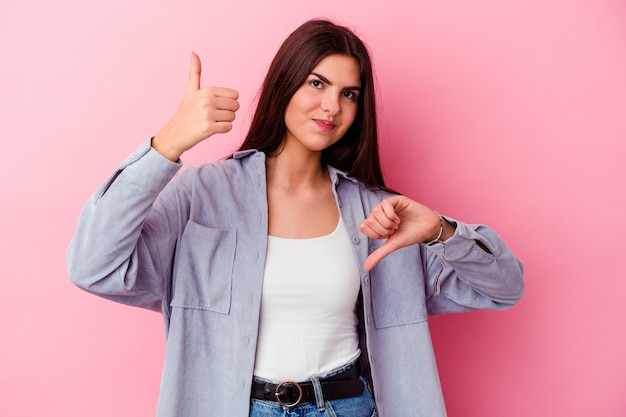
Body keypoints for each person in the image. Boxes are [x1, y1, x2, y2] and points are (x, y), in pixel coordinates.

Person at [67, 19, 524, 417]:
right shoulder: (202, 195)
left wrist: (442, 232)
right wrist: (167, 144)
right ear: (286, 83)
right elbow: (94, 266)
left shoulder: (378, 212)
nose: (332, 108)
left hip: (349, 407)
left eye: (349, 94)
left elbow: (506, 287)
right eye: (317, 84)